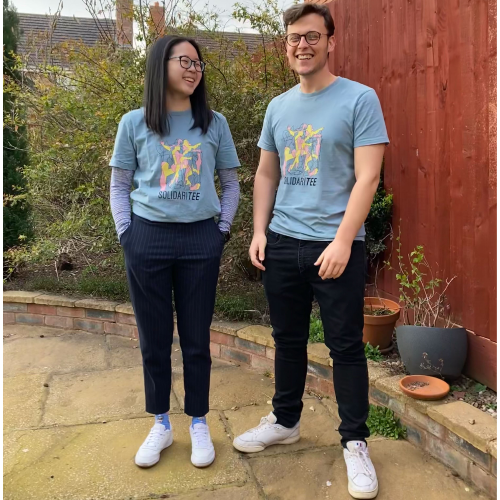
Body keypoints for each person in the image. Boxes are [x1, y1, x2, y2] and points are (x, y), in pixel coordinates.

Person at [232, 4, 388, 499]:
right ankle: (285, 420)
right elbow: (266, 174)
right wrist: (259, 231)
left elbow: (369, 176)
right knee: (288, 339)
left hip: (335, 246)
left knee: (344, 346)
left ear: (330, 42)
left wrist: (343, 239)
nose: (302, 45)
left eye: (312, 36)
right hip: (282, 242)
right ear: (287, 45)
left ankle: (356, 442)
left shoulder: (360, 99)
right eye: (294, 38)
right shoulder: (278, 107)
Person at [109, 35, 240, 469]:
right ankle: (161, 423)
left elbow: (231, 183)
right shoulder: (134, 122)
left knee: (197, 338)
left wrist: (220, 230)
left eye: (198, 62)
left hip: (200, 240)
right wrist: (127, 232)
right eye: (184, 60)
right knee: (154, 339)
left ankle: (198, 421)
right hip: (147, 239)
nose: (193, 68)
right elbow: (120, 186)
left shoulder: (213, 122)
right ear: (159, 64)